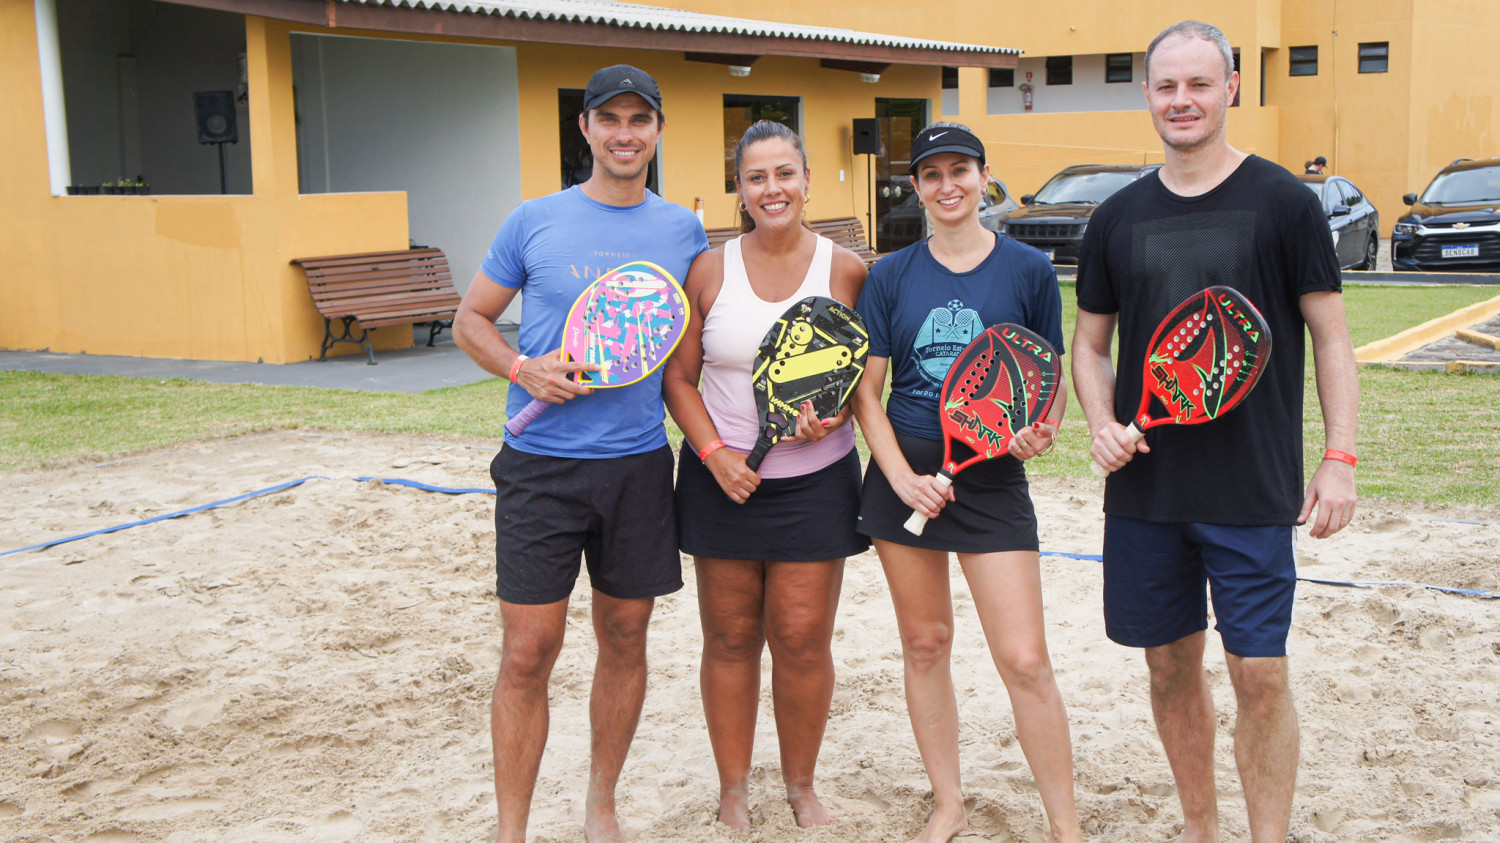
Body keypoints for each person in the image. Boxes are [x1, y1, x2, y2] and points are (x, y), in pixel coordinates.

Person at [1071, 21, 1359, 843]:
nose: (1182, 100)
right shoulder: (1117, 218)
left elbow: (1333, 338)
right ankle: (1200, 827)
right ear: (1148, 96)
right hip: (1146, 489)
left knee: (1259, 674)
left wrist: (1338, 459)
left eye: (1199, 84)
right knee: (1168, 668)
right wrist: (1101, 422)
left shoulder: (1285, 204)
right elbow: (1090, 347)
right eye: (1167, 86)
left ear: (1231, 87)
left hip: (1252, 483)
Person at [452, 64, 708, 843]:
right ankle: (511, 829)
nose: (625, 134)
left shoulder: (681, 232)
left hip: (637, 467)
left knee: (625, 635)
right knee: (529, 648)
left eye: (640, 120)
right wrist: (519, 366)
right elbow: (471, 320)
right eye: (610, 119)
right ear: (586, 129)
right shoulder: (532, 220)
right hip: (540, 468)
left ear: (658, 131)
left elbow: (687, 355)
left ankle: (601, 802)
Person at [851, 121, 1082, 843]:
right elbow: (868, 392)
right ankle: (948, 802)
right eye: (932, 174)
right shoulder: (889, 275)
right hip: (905, 480)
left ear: (985, 177)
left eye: (961, 170)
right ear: (915, 186)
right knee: (925, 644)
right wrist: (901, 477)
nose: (947, 186)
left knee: (1024, 657)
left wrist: (1039, 428)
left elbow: (1049, 380)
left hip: (992, 483)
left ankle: (1065, 825)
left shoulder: (1026, 270)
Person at [662, 120, 869, 830]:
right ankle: (732, 788)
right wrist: (715, 453)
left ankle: (801, 784)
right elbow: (679, 378)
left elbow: (858, 380)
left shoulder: (845, 269)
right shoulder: (710, 270)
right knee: (727, 637)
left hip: (816, 484)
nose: (772, 189)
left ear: (807, 180)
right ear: (740, 189)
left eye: (785, 173)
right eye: (756, 177)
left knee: (803, 637)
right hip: (721, 480)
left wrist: (835, 420)